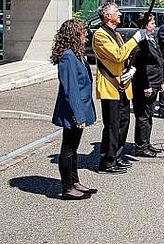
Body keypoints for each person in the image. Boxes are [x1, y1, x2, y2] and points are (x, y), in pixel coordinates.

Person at [92, 1, 144, 174]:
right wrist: (135, 39)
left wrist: (132, 68)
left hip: (122, 84)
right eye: (117, 12)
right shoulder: (100, 35)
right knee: (112, 125)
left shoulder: (115, 34)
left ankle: (117, 156)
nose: (120, 14)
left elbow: (125, 56)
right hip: (110, 85)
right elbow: (117, 55)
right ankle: (107, 162)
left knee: (123, 122)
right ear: (107, 16)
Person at [51, 19, 98, 200]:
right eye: (82, 32)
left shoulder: (77, 54)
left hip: (80, 107)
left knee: (74, 147)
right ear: (73, 35)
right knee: (68, 148)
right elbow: (70, 89)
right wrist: (78, 116)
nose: (85, 35)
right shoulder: (68, 56)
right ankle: (67, 187)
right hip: (72, 110)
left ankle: (75, 181)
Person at [131, 13, 164, 158]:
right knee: (143, 115)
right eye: (151, 23)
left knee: (149, 114)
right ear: (145, 25)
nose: (154, 26)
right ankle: (140, 147)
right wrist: (146, 86)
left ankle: (146, 143)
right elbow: (140, 66)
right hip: (145, 84)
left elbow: (159, 60)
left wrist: (161, 81)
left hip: (155, 82)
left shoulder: (151, 39)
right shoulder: (141, 42)